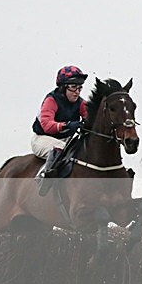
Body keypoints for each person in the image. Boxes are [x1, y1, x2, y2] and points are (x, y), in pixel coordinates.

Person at [32, 65, 89, 194]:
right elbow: (47, 125)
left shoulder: (80, 102)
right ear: (63, 87)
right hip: (43, 138)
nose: (77, 92)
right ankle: (43, 178)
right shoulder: (51, 100)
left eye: (80, 87)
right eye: (73, 87)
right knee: (60, 148)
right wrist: (67, 125)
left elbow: (91, 117)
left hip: (65, 140)